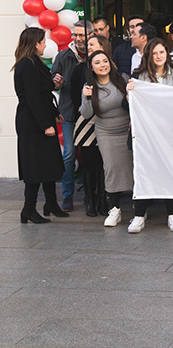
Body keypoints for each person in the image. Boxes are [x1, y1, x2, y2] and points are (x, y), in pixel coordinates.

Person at [125, 38, 173, 233]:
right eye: (154, 53)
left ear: (167, 53)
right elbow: (126, 104)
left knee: (171, 171)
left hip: (171, 133)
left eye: (162, 52)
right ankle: (139, 215)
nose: (159, 56)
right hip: (145, 133)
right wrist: (128, 94)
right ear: (148, 56)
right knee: (144, 171)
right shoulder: (138, 75)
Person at [13, 27, 68, 224]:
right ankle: (28, 209)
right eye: (43, 41)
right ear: (36, 43)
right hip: (32, 123)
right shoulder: (27, 65)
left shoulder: (35, 63)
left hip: (41, 117)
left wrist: (55, 112)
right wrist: (46, 125)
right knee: (35, 166)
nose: (46, 44)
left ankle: (51, 204)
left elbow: (43, 92)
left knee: (48, 163)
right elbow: (33, 98)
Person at [81, 50, 132, 228]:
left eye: (105, 61)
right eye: (97, 63)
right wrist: (86, 97)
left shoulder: (123, 79)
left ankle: (140, 208)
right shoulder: (89, 87)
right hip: (106, 133)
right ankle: (115, 209)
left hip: (127, 130)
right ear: (91, 68)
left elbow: (134, 103)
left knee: (134, 167)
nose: (103, 65)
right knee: (111, 168)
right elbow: (86, 114)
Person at [70, 34, 111, 218]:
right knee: (89, 164)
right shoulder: (80, 69)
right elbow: (72, 94)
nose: (89, 47)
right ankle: (90, 201)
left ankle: (103, 200)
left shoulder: (111, 66)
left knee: (104, 164)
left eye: (93, 44)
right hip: (87, 121)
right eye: (88, 45)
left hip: (107, 121)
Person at [51, 20, 89, 211]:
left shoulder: (95, 54)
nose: (78, 38)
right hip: (69, 113)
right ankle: (67, 196)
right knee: (68, 156)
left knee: (92, 156)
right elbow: (53, 80)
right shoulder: (63, 55)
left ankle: (91, 195)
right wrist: (56, 83)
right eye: (76, 35)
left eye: (82, 35)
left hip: (91, 115)